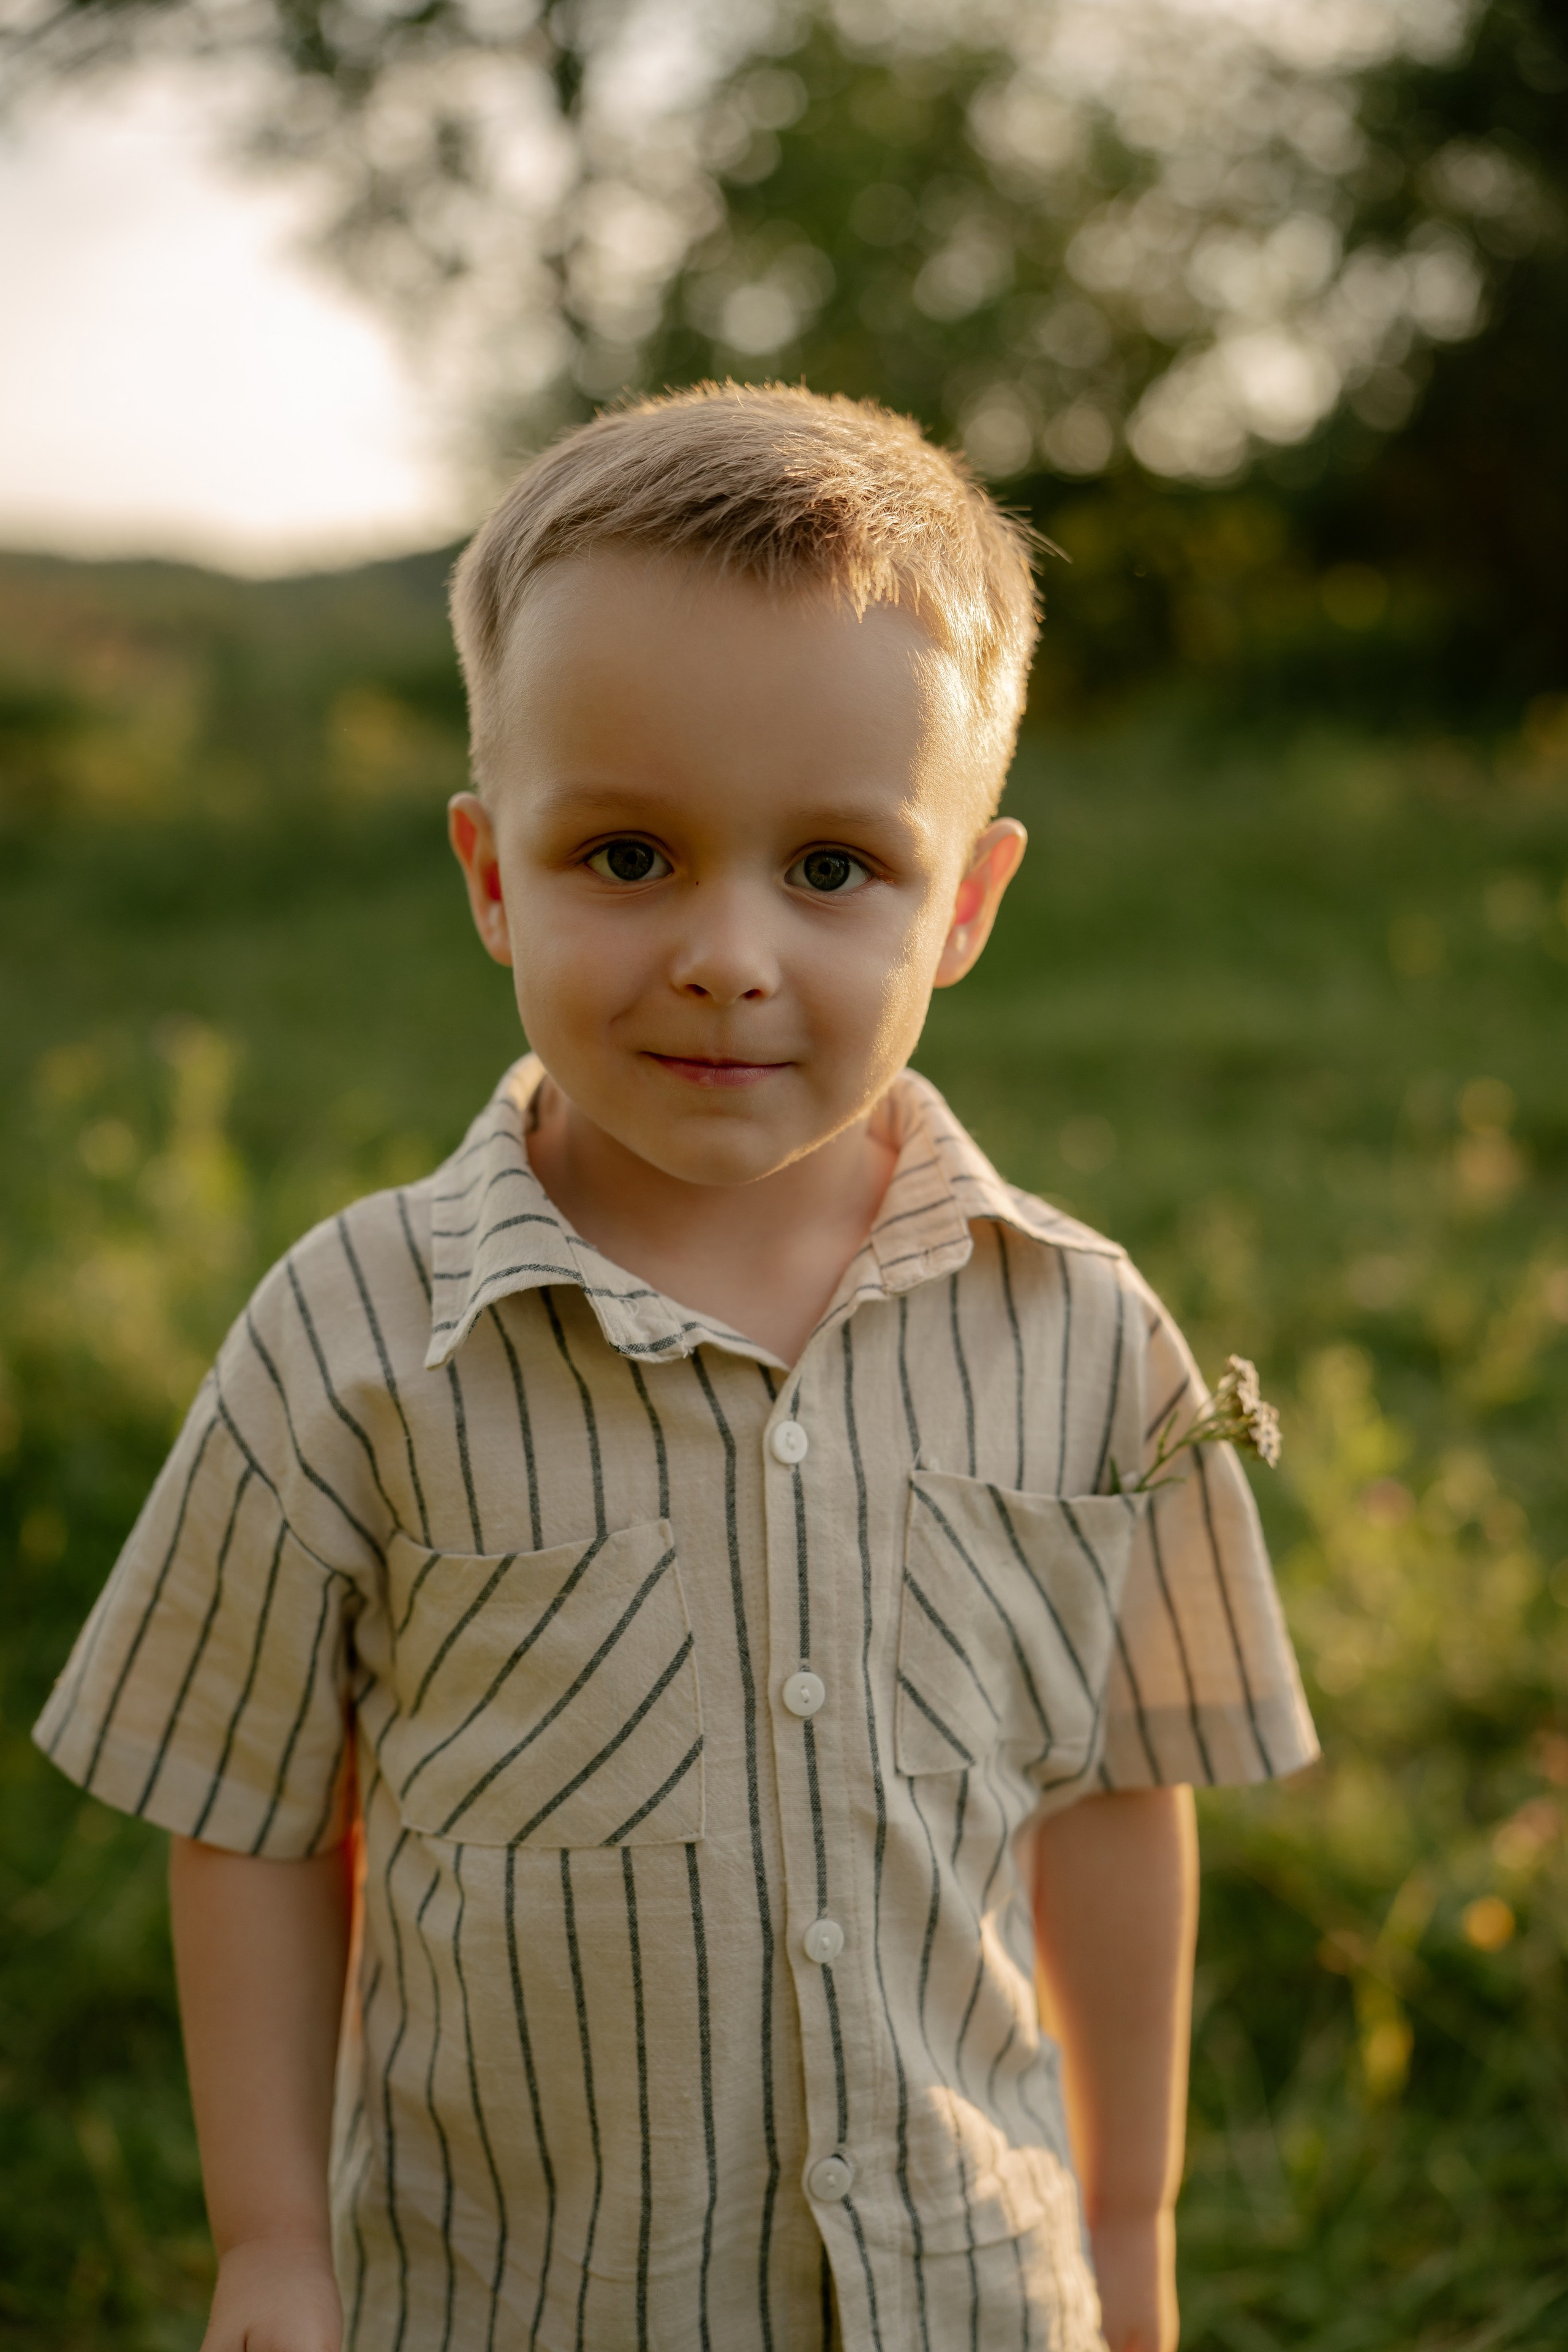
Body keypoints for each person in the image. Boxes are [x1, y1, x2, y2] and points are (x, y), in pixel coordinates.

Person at [34, 382, 1317, 2352]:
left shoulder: (1084, 1337)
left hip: (966, 2289)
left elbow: (1121, 1802)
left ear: (964, 905)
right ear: (489, 876)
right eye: (627, 858)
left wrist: (1127, 2245)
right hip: (508, 2295)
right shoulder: (356, 1335)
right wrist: (272, 2248)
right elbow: (249, 1810)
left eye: (832, 870)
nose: (729, 952)